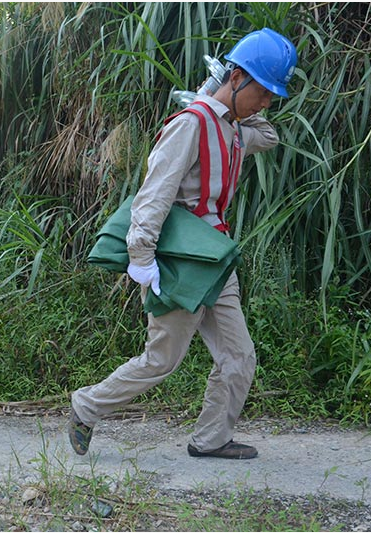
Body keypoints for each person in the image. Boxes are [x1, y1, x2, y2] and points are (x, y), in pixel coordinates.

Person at [69, 28, 298, 460]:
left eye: (272, 94)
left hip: (216, 259)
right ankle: (86, 406)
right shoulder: (191, 125)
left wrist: (224, 99)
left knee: (239, 355)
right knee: (162, 360)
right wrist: (141, 256)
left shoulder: (233, 130)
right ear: (238, 77)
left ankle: (211, 439)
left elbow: (268, 137)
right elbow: (153, 193)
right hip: (179, 262)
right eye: (263, 90)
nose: (267, 102)